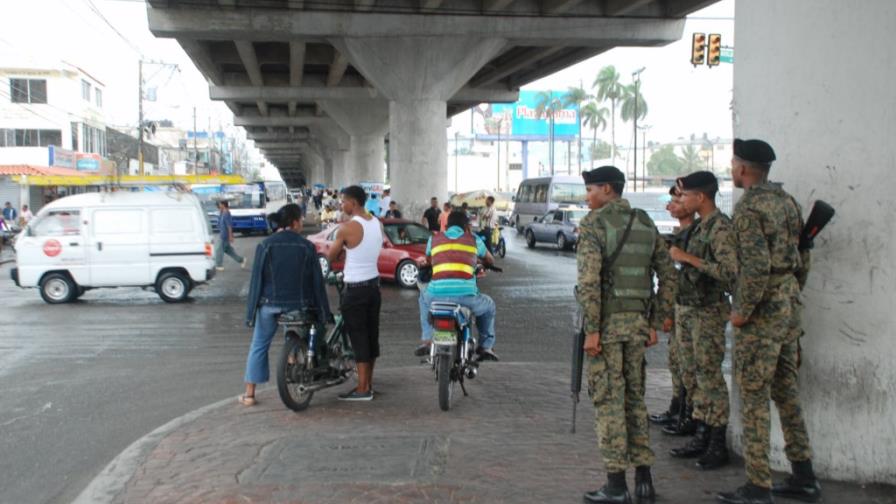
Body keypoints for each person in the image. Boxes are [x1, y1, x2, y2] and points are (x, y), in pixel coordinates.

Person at [718, 139, 820, 504]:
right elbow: (803, 255)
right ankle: (804, 476)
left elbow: (757, 268)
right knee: (787, 393)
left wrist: (742, 310)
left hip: (761, 315)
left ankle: (758, 485)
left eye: (734, 164)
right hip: (788, 306)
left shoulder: (750, 210)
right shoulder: (787, 203)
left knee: (754, 397)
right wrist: (790, 293)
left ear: (743, 169)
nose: (732, 169)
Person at [576, 166, 675, 504]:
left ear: (607, 189)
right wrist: (656, 320)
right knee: (635, 399)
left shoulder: (594, 225)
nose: (587, 196)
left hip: (605, 329)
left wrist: (591, 329)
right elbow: (667, 273)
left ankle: (616, 485)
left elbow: (589, 281)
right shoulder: (645, 222)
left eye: (590, 189)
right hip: (636, 328)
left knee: (608, 402)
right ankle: (644, 479)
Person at [667, 171, 737, 471]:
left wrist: (688, 258)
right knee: (691, 373)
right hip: (688, 308)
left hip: (707, 311)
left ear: (701, 197)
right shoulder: (698, 227)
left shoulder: (720, 228)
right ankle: (701, 431)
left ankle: (717, 442)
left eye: (684, 196)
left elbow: (730, 272)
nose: (679, 200)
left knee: (709, 376)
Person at [241, 204, 331, 406]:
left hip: (268, 305)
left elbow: (257, 281)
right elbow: (316, 282)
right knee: (295, 335)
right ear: (294, 222)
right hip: (297, 306)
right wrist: (324, 311)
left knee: (259, 345)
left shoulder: (265, 245)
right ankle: (293, 364)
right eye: (300, 219)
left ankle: (249, 395)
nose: (301, 223)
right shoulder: (306, 246)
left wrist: (250, 315)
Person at [415, 210, 499, 361]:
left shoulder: (434, 239)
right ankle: (486, 346)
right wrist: (481, 262)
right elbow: (490, 260)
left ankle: (427, 339)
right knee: (489, 306)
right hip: (466, 297)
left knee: (423, 297)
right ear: (467, 227)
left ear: (446, 226)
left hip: (436, 295)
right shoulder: (474, 239)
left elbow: (429, 260)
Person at [327, 185, 383, 401]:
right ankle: (368, 383)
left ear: (354, 202)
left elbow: (331, 256)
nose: (342, 205)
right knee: (371, 336)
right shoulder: (376, 223)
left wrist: (340, 251)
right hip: (373, 287)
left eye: (344, 201)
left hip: (355, 290)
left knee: (358, 338)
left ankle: (362, 390)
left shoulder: (348, 227)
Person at [649, 186, 696, 428]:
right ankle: (678, 408)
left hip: (693, 310)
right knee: (676, 361)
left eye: (677, 200)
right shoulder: (676, 235)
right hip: (679, 307)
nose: (670, 206)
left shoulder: (697, 235)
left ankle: (689, 415)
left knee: (689, 364)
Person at [215, 200, 247, 271]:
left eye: (220, 204)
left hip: (224, 235)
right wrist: (220, 211)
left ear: (223, 205)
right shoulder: (222, 212)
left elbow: (229, 226)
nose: (219, 205)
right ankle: (241, 260)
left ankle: (218, 265)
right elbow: (219, 223)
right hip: (222, 234)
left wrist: (230, 236)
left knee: (218, 250)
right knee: (229, 251)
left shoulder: (227, 213)